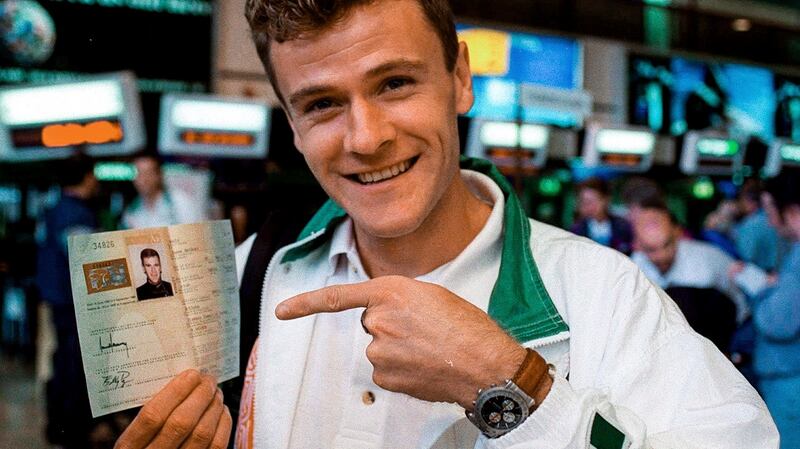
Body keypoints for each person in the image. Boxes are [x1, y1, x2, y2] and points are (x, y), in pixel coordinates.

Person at [115, 1, 777, 448]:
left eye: (395, 83)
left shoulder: (603, 294)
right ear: (291, 125)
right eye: (321, 104)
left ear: (460, 78)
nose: (366, 137)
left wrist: (514, 388)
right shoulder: (260, 269)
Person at [36, 154, 99, 448]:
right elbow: (86, 260)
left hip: (56, 299)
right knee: (74, 367)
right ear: (86, 177)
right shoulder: (76, 214)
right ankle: (72, 431)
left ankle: (56, 425)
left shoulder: (53, 208)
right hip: (74, 303)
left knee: (62, 361)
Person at [745, 173, 800, 449]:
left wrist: (759, 289)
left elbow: (778, 322)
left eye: (770, 210)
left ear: (791, 211)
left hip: (791, 382)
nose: (769, 221)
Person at [630, 205, 755, 324]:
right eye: (651, 250)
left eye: (667, 245)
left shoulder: (708, 259)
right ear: (637, 245)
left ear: (677, 232)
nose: (662, 255)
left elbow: (742, 304)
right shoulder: (630, 270)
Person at [120, 153, 204, 229]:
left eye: (148, 173)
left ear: (159, 175)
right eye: (139, 173)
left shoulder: (179, 201)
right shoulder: (131, 211)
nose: (143, 179)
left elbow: (196, 235)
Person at [732, 180, 786, 272]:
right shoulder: (775, 218)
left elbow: (744, 257)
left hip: (761, 275)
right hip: (781, 272)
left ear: (748, 201)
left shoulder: (750, 225)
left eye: (741, 199)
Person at [569, 177, 632, 254]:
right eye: (584, 202)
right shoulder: (576, 230)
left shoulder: (623, 226)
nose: (589, 206)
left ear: (606, 200)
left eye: (592, 201)